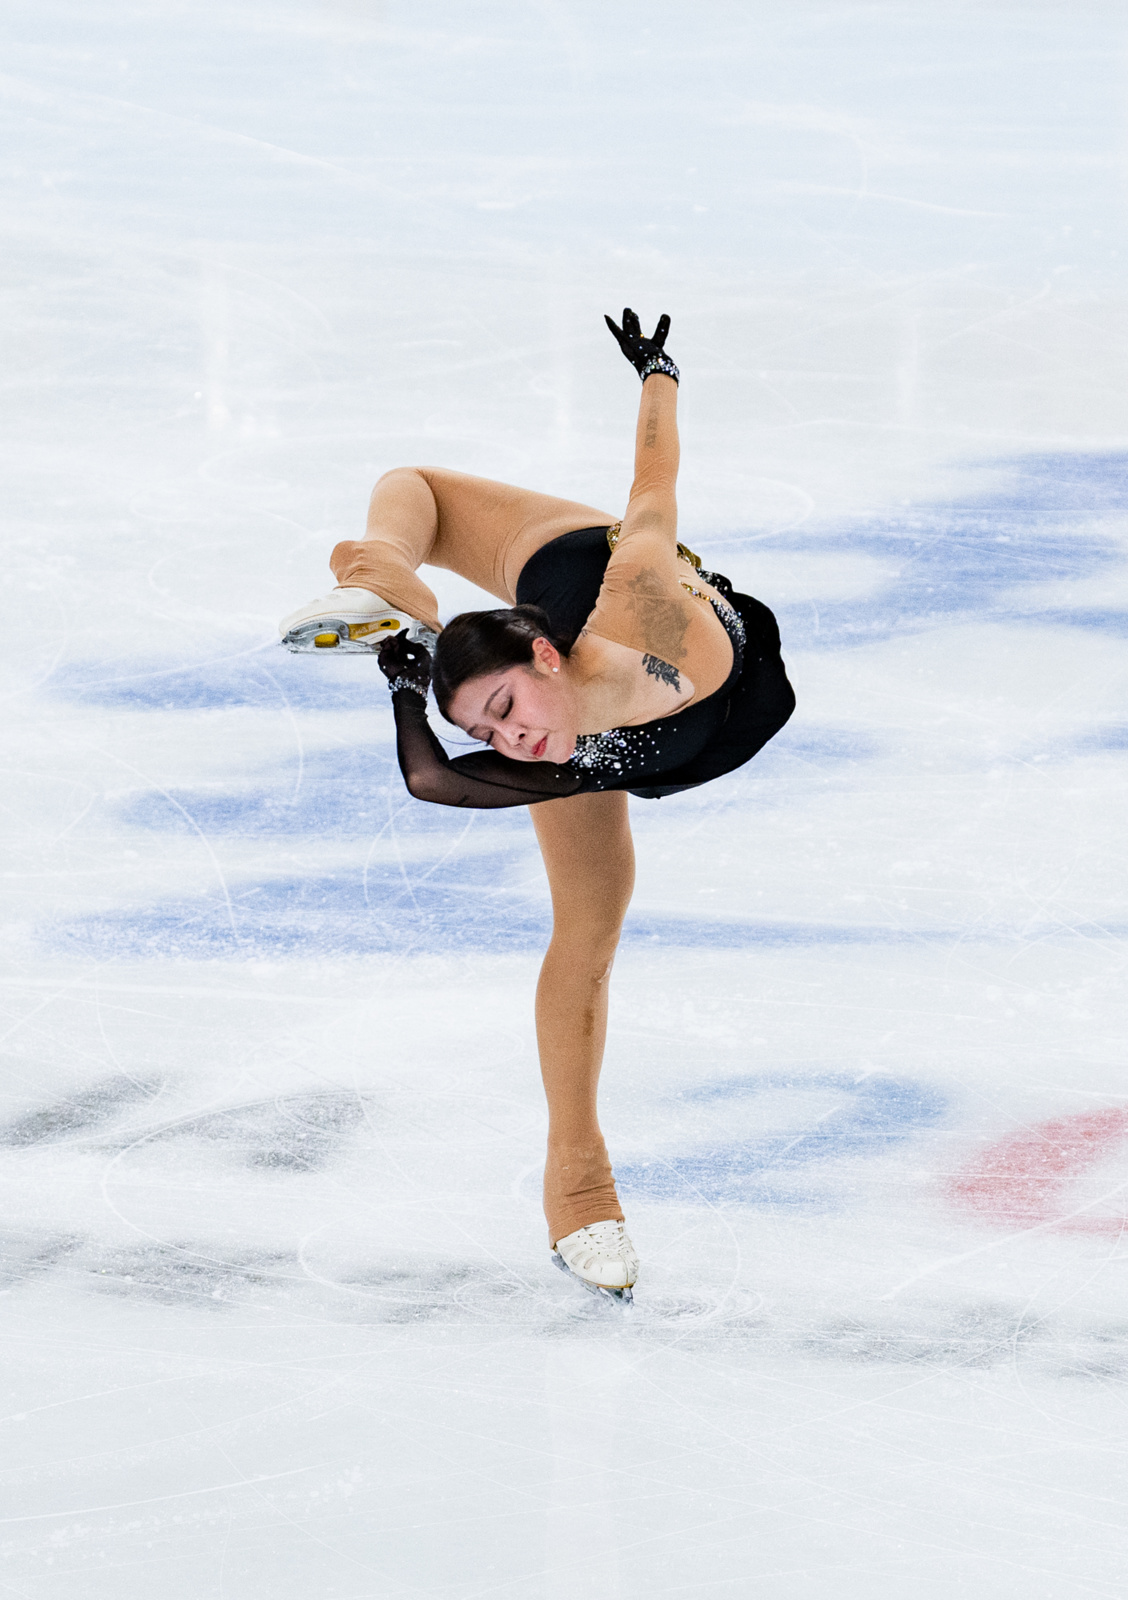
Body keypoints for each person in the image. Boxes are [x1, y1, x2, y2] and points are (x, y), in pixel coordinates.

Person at [275, 311, 795, 1301]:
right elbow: (434, 776)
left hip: (681, 662)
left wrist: (659, 373)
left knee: (531, 523)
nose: (509, 742)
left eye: (507, 709)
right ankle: (581, 1192)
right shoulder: (545, 742)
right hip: (592, 730)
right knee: (587, 933)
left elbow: (653, 487)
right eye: (490, 731)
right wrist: (405, 678)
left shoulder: (640, 604)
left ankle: (420, 607)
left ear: (544, 655)